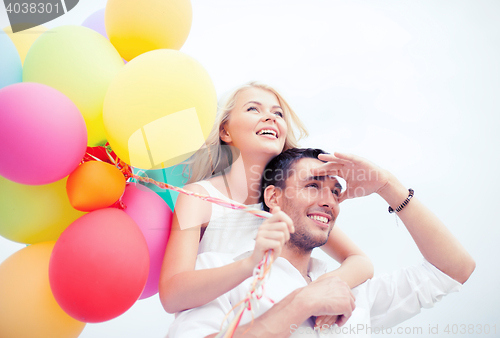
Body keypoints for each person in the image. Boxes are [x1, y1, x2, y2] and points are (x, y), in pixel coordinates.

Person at [167, 148, 475, 337]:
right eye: (313, 186)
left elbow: (453, 270)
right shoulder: (221, 272)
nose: (329, 201)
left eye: (335, 192)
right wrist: (303, 302)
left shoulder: (350, 291)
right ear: (274, 198)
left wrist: (388, 186)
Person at [159, 83, 374, 327]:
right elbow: (172, 295)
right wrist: (249, 265)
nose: (270, 117)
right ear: (225, 131)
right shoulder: (198, 197)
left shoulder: (288, 203)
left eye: (278, 113)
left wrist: (317, 290)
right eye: (253, 109)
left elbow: (360, 261)